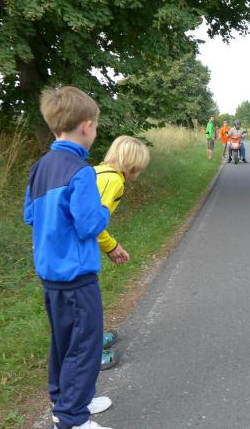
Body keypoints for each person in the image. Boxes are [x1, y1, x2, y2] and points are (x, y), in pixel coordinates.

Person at [24, 86, 113, 429]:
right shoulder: (81, 170)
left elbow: (30, 216)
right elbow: (89, 224)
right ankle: (73, 419)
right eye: (96, 127)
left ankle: (67, 401)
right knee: (84, 346)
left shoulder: (39, 168)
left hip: (51, 276)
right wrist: (103, 209)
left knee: (64, 342)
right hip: (77, 277)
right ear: (87, 125)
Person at [93, 136, 151, 371]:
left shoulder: (97, 171)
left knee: (88, 298)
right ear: (133, 164)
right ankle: (91, 354)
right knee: (87, 302)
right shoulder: (113, 180)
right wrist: (111, 246)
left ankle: (94, 339)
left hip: (69, 247)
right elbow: (91, 221)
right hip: (76, 250)